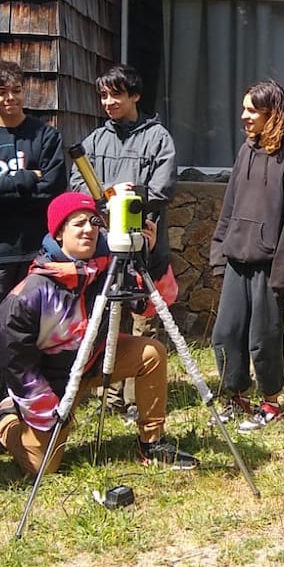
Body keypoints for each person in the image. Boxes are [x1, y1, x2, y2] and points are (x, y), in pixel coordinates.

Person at [0, 192, 198, 475]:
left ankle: (152, 443)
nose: (88, 229)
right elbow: (16, 358)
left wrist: (153, 258)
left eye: (94, 221)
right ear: (59, 232)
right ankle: (7, 419)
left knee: (151, 353)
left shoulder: (107, 267)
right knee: (43, 467)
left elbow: (149, 307)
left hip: (95, 358)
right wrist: (44, 408)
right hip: (51, 380)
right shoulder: (31, 292)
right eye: (78, 223)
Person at [0, 60, 66, 445]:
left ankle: (35, 412)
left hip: (38, 252)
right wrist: (27, 180)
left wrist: (1, 186)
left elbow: (54, 188)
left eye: (16, 90)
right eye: (1, 92)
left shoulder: (45, 136)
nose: (10, 98)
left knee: (37, 336)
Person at [69, 64, 179, 414]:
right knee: (106, 321)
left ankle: (137, 399)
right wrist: (102, 201)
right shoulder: (95, 140)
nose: (109, 102)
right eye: (103, 95)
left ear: (135, 95)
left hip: (145, 246)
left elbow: (163, 189)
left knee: (144, 321)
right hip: (105, 248)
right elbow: (76, 184)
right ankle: (109, 397)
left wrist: (130, 195)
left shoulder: (158, 137)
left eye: (116, 94)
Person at [209, 79, 284, 431]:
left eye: (252, 110)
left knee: (262, 338)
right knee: (225, 334)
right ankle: (235, 396)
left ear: (272, 113)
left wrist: (283, 274)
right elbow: (231, 204)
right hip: (237, 257)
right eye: (244, 109)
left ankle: (271, 403)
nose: (244, 116)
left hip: (270, 266)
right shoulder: (246, 151)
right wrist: (219, 250)